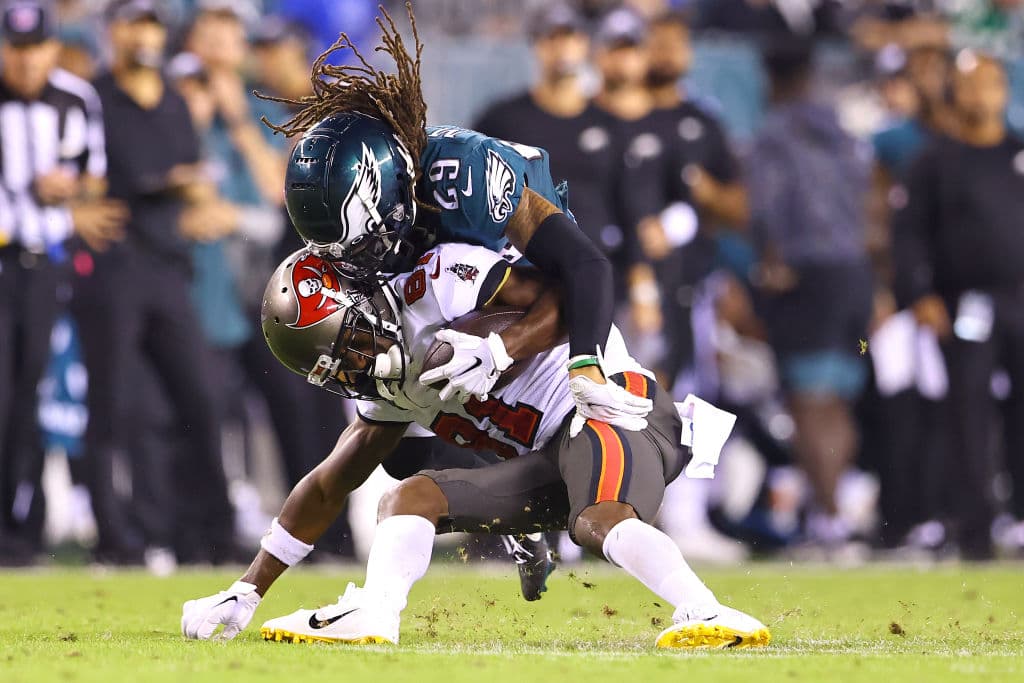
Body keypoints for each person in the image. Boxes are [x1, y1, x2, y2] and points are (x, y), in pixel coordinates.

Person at [181, 242, 769, 649]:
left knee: (595, 520)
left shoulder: (444, 280)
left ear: (362, 305)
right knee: (406, 497)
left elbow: (569, 297)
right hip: (548, 458)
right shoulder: (387, 381)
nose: (354, 370)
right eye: (335, 369)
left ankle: (707, 610)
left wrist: (498, 347)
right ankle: (377, 613)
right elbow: (330, 481)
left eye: (348, 347)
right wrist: (247, 589)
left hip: (614, 408)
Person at [266, 5, 653, 437]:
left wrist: (569, 361)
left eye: (366, 242)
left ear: (397, 183)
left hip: (521, 303)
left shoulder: (462, 177)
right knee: (407, 455)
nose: (360, 261)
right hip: (442, 296)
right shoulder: (363, 226)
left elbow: (586, 267)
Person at [73, 0, 235, 563]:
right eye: (133, 23)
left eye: (151, 24)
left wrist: (197, 204)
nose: (143, 34)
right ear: (112, 31)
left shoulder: (170, 101)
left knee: (199, 396)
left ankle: (210, 531)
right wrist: (75, 209)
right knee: (111, 406)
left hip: (167, 268)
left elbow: (185, 182)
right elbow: (75, 174)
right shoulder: (91, 98)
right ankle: (115, 537)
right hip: (113, 265)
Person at [0, 0, 125, 555]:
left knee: (25, 395)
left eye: (35, 49)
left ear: (51, 48)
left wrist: (69, 190)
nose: (26, 62)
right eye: (16, 49)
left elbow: (95, 181)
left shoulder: (75, 99)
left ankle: (19, 527)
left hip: (40, 266)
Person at [892, 51, 1024, 560]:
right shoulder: (934, 161)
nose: (980, 96)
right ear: (955, 92)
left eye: (990, 84)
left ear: (1004, 91)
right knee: (967, 413)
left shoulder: (1017, 152)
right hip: (965, 303)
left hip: (1019, 300)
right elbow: (908, 235)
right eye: (970, 85)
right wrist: (918, 293)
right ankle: (975, 528)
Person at [746, 38, 873, 550]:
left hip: (804, 274)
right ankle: (835, 511)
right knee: (837, 401)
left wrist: (768, 258)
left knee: (807, 401)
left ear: (771, 80)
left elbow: (765, 206)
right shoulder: (842, 130)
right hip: (855, 275)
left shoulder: (775, 133)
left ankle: (828, 517)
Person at [473, 4, 632, 300]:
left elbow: (630, 206)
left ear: (584, 43)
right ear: (536, 46)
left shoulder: (609, 125)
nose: (562, 48)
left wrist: (642, 285)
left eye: (569, 36)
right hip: (525, 273)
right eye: (552, 38)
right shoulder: (503, 119)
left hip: (602, 270)